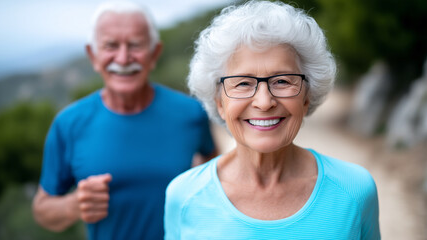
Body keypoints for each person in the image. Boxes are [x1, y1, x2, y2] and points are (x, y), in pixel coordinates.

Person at [164, 1, 380, 239]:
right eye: (243, 83)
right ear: (219, 102)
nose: (264, 102)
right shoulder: (183, 196)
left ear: (307, 96)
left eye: (283, 81)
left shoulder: (355, 190)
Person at [32, 1, 216, 239]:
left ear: (154, 53)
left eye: (135, 45)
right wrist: (73, 205)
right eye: (110, 45)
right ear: (93, 55)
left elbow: (214, 169)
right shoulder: (69, 123)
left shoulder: (191, 112)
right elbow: (42, 209)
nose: (123, 57)